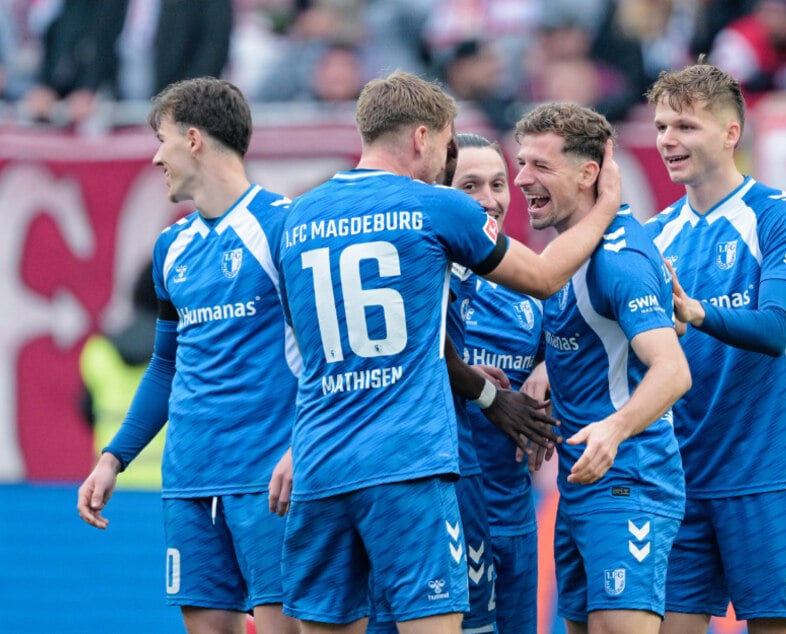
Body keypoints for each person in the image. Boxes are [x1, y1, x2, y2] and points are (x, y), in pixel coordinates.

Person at [278, 70, 621, 634]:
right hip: (406, 462)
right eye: (446, 144)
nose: (446, 160)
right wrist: (604, 208)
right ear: (421, 137)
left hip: (320, 463)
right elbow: (540, 278)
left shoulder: (297, 218)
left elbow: (304, 346)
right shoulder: (436, 206)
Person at [77, 77, 300, 634]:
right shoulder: (170, 247)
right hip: (189, 481)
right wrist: (113, 458)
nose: (156, 156)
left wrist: (305, 447)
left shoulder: (283, 226)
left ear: (195, 139)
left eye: (163, 138)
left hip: (267, 478)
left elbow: (326, 357)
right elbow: (167, 366)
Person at [644, 62, 786, 634]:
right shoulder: (652, 239)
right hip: (680, 477)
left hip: (764, 468)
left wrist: (694, 311)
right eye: (661, 126)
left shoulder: (782, 216)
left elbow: (774, 330)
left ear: (730, 133)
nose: (668, 140)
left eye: (685, 126)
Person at [513, 102, 691, 634]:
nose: (522, 179)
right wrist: (545, 367)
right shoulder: (571, 250)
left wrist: (614, 429)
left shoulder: (620, 257)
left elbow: (672, 370)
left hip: (626, 483)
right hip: (582, 485)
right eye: (522, 163)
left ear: (589, 173)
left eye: (540, 166)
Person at [451, 132, 545, 634]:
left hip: (513, 517)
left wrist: (549, 368)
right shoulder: (419, 286)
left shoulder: (528, 294)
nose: (489, 199)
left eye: (497, 183)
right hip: (442, 520)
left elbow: (579, 348)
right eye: (470, 186)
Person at [79, 260, 165, 489]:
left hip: (109, 484)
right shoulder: (187, 352)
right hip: (172, 488)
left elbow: (88, 414)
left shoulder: (98, 351)